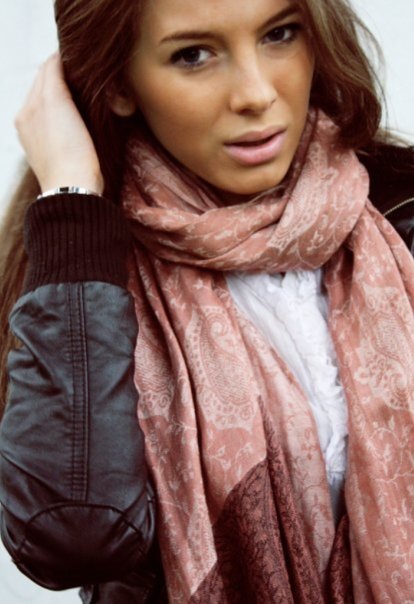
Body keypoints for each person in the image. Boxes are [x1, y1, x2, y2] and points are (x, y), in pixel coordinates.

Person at [0, 0, 414, 601]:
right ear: (120, 84)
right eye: (193, 55)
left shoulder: (399, 214)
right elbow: (74, 537)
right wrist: (70, 196)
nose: (256, 93)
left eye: (279, 33)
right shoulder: (83, 279)